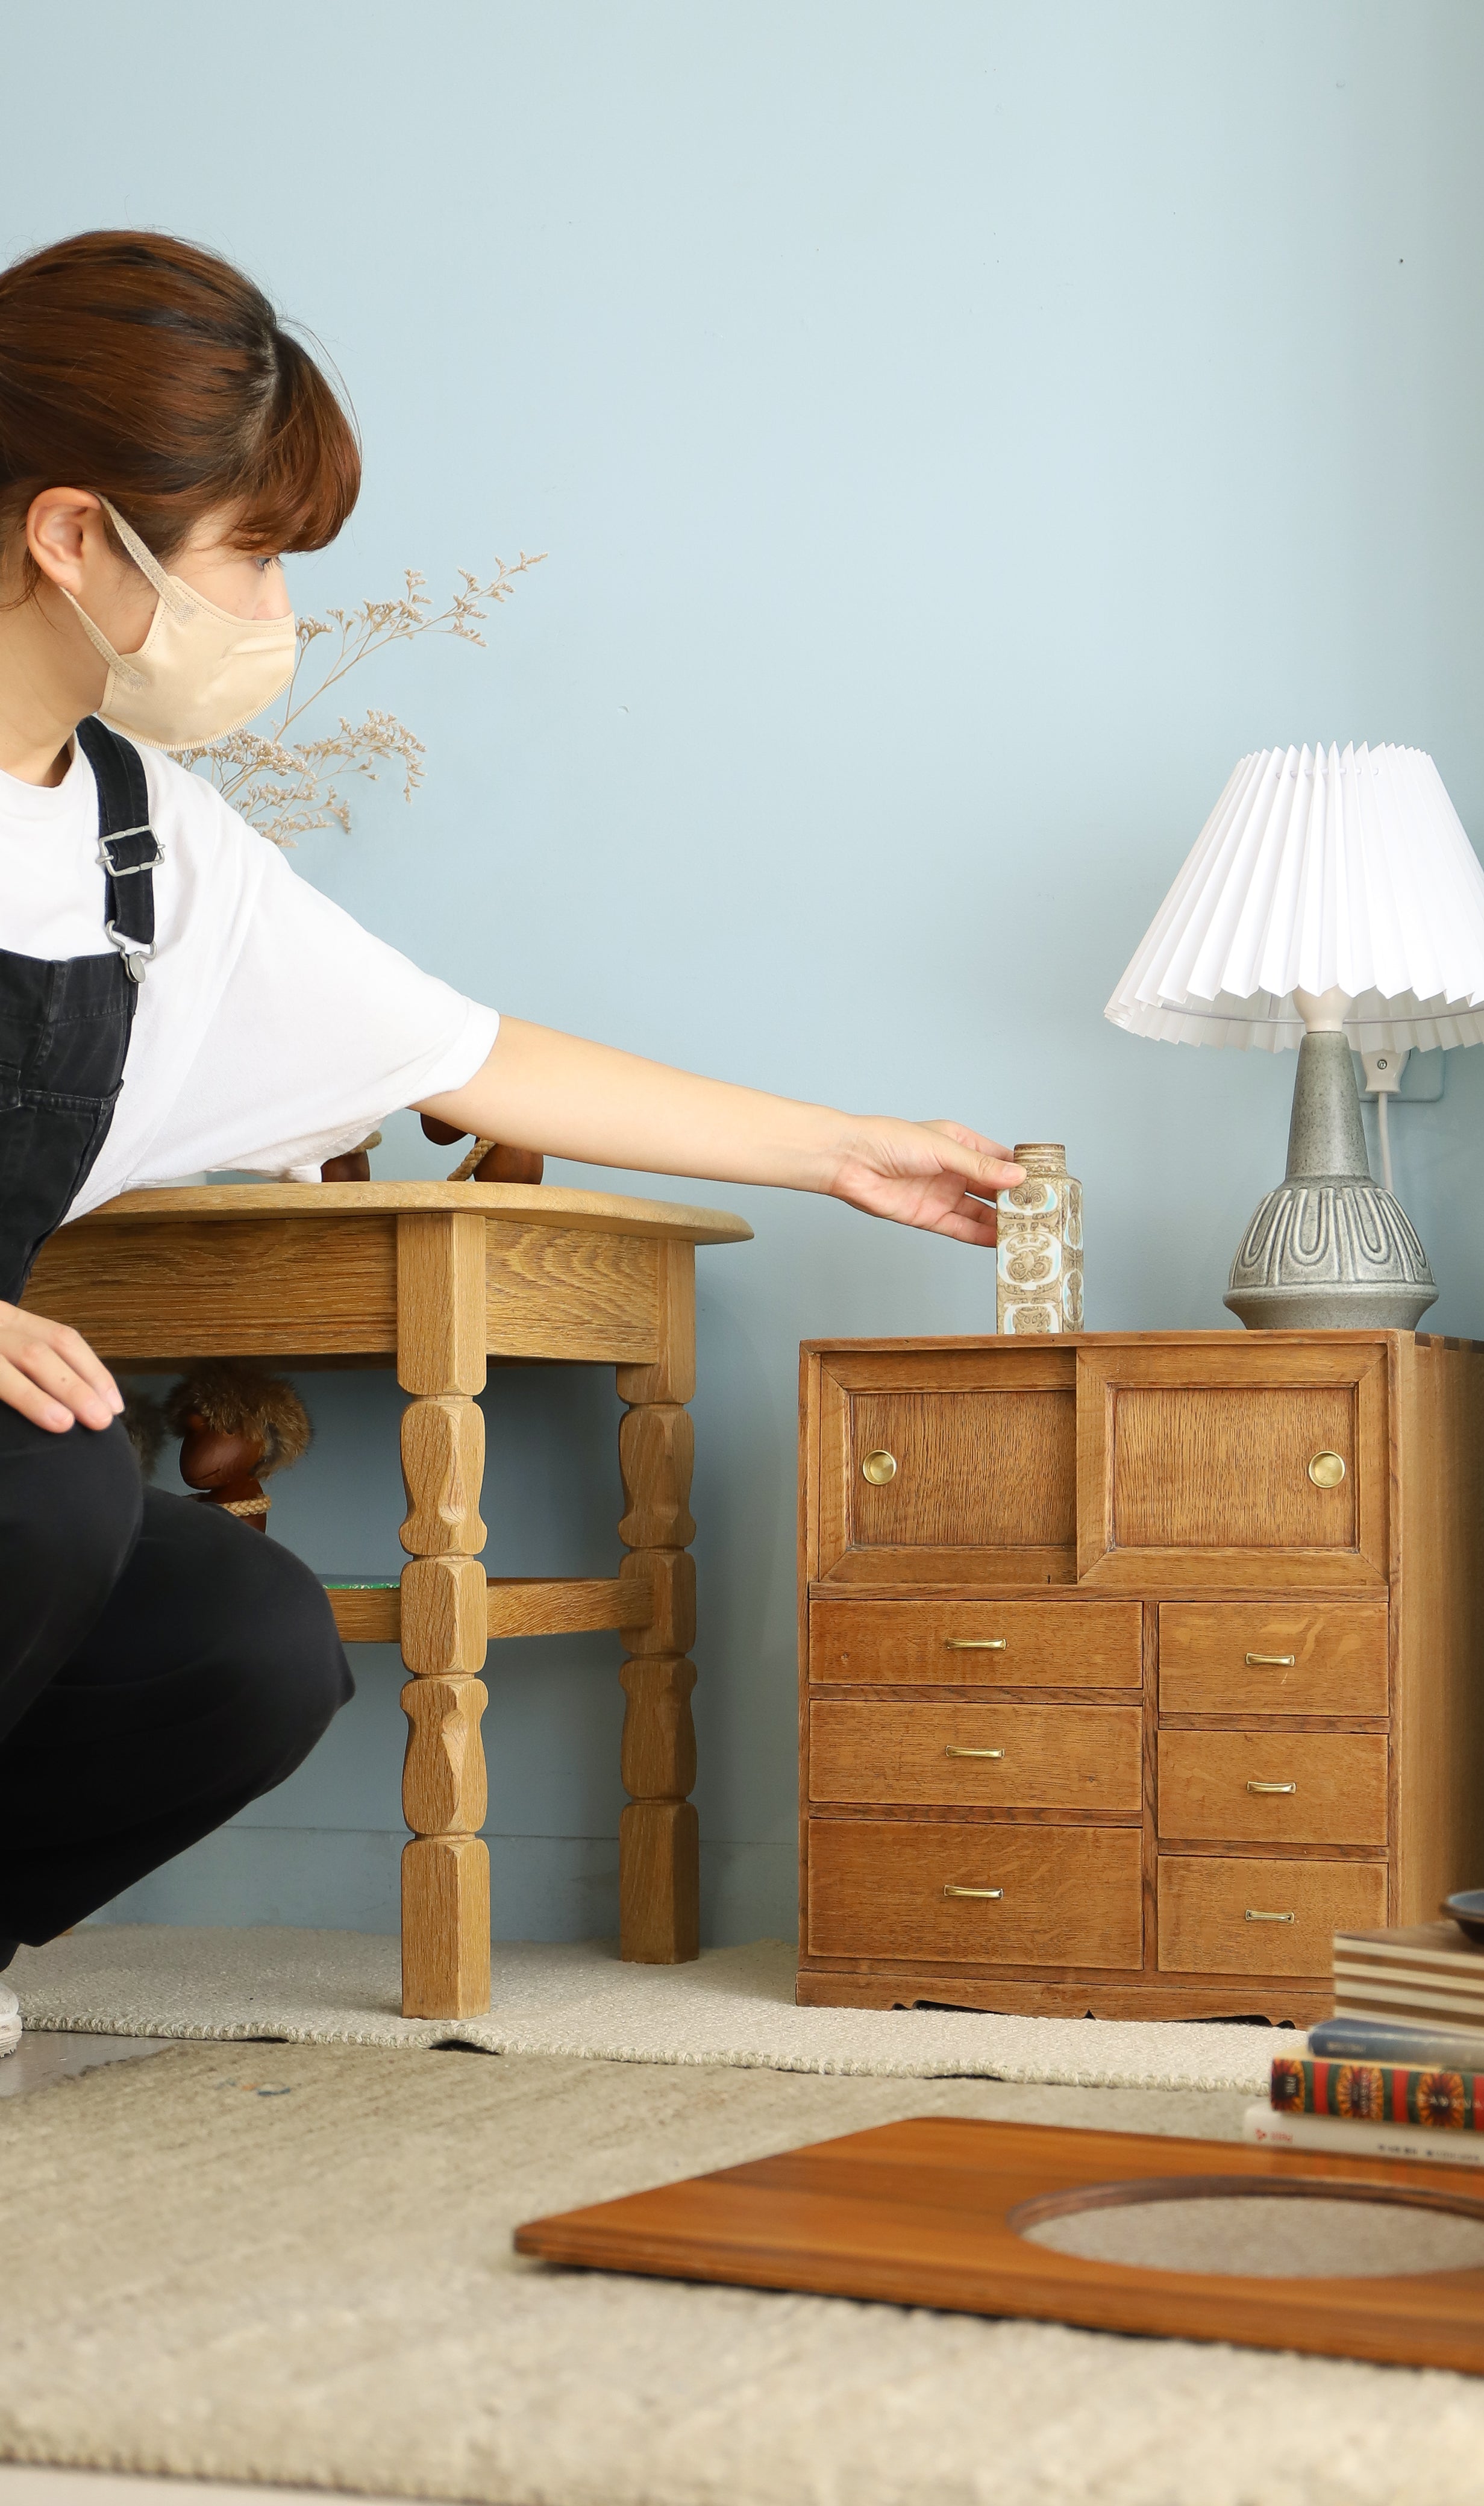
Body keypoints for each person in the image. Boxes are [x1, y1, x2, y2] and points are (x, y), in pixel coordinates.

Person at [0, 228, 1020, 1984]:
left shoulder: (140, 842)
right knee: (53, 1489)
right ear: (76, 534)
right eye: (252, 558)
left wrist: (852, 1149)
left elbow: (465, 1054)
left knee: (249, 1637)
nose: (273, 622)